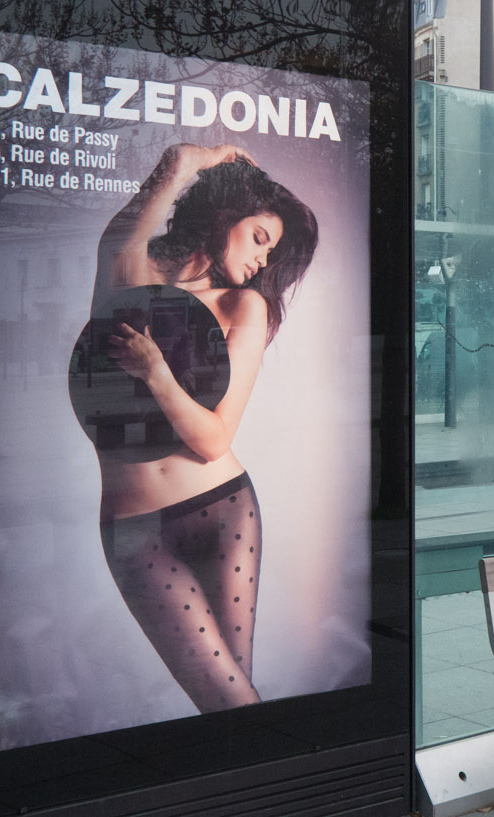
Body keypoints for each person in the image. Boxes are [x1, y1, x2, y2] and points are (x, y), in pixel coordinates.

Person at [71, 143, 319, 713]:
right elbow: (122, 239)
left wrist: (157, 373)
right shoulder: (133, 275)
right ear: (227, 216)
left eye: (272, 252)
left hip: (225, 511)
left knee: (230, 706)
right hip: (136, 528)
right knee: (229, 704)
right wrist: (183, 164)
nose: (263, 261)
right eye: (260, 237)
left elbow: (212, 440)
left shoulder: (243, 308)